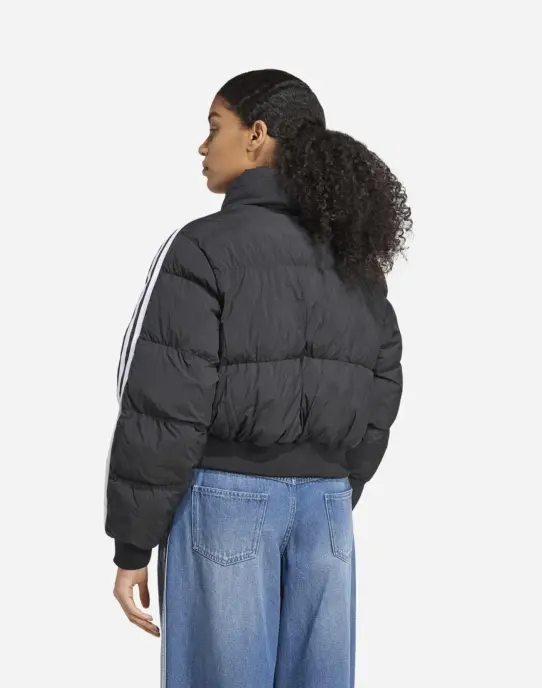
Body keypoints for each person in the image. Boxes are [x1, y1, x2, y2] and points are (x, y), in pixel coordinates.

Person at [104, 68, 412, 687]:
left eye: (214, 126)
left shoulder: (202, 247)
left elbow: (163, 403)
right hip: (327, 510)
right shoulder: (353, 258)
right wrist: (334, 484)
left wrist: (133, 544)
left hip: (227, 502)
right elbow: (384, 384)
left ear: (257, 135)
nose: (202, 145)